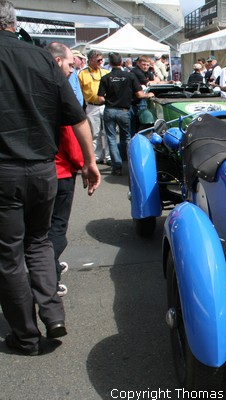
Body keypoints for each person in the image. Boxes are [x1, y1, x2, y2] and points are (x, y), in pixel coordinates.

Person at [0, 0, 100, 356]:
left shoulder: (41, 57)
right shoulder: (42, 57)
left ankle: (26, 336)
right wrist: (89, 161)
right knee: (39, 241)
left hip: (5, 170)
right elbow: (77, 117)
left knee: (9, 256)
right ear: (14, 22)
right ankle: (53, 314)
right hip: (43, 168)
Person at [46, 42, 85, 298]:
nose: (73, 70)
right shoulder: (57, 92)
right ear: (59, 61)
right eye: (71, 64)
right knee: (56, 230)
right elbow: (70, 138)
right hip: (59, 173)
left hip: (33, 170)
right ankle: (50, 279)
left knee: (38, 231)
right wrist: (85, 165)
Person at [97, 52, 155, 176]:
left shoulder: (105, 78)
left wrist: (109, 100)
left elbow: (100, 99)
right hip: (124, 110)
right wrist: (148, 95)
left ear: (110, 63)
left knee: (111, 139)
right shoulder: (130, 76)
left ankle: (117, 166)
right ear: (121, 62)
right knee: (127, 138)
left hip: (109, 110)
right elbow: (139, 95)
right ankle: (131, 164)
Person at [79, 49, 111, 164]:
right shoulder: (82, 74)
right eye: (98, 60)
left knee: (108, 132)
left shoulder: (105, 72)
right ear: (91, 60)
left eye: (102, 59)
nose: (101, 62)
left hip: (105, 105)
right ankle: (97, 156)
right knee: (95, 133)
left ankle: (108, 156)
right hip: (91, 106)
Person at [129, 55, 157, 133]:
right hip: (134, 102)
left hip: (141, 100)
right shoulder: (136, 71)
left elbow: (156, 80)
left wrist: (169, 82)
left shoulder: (147, 72)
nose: (146, 67)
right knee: (135, 125)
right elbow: (148, 83)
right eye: (144, 64)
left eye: (147, 65)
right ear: (138, 63)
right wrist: (155, 81)